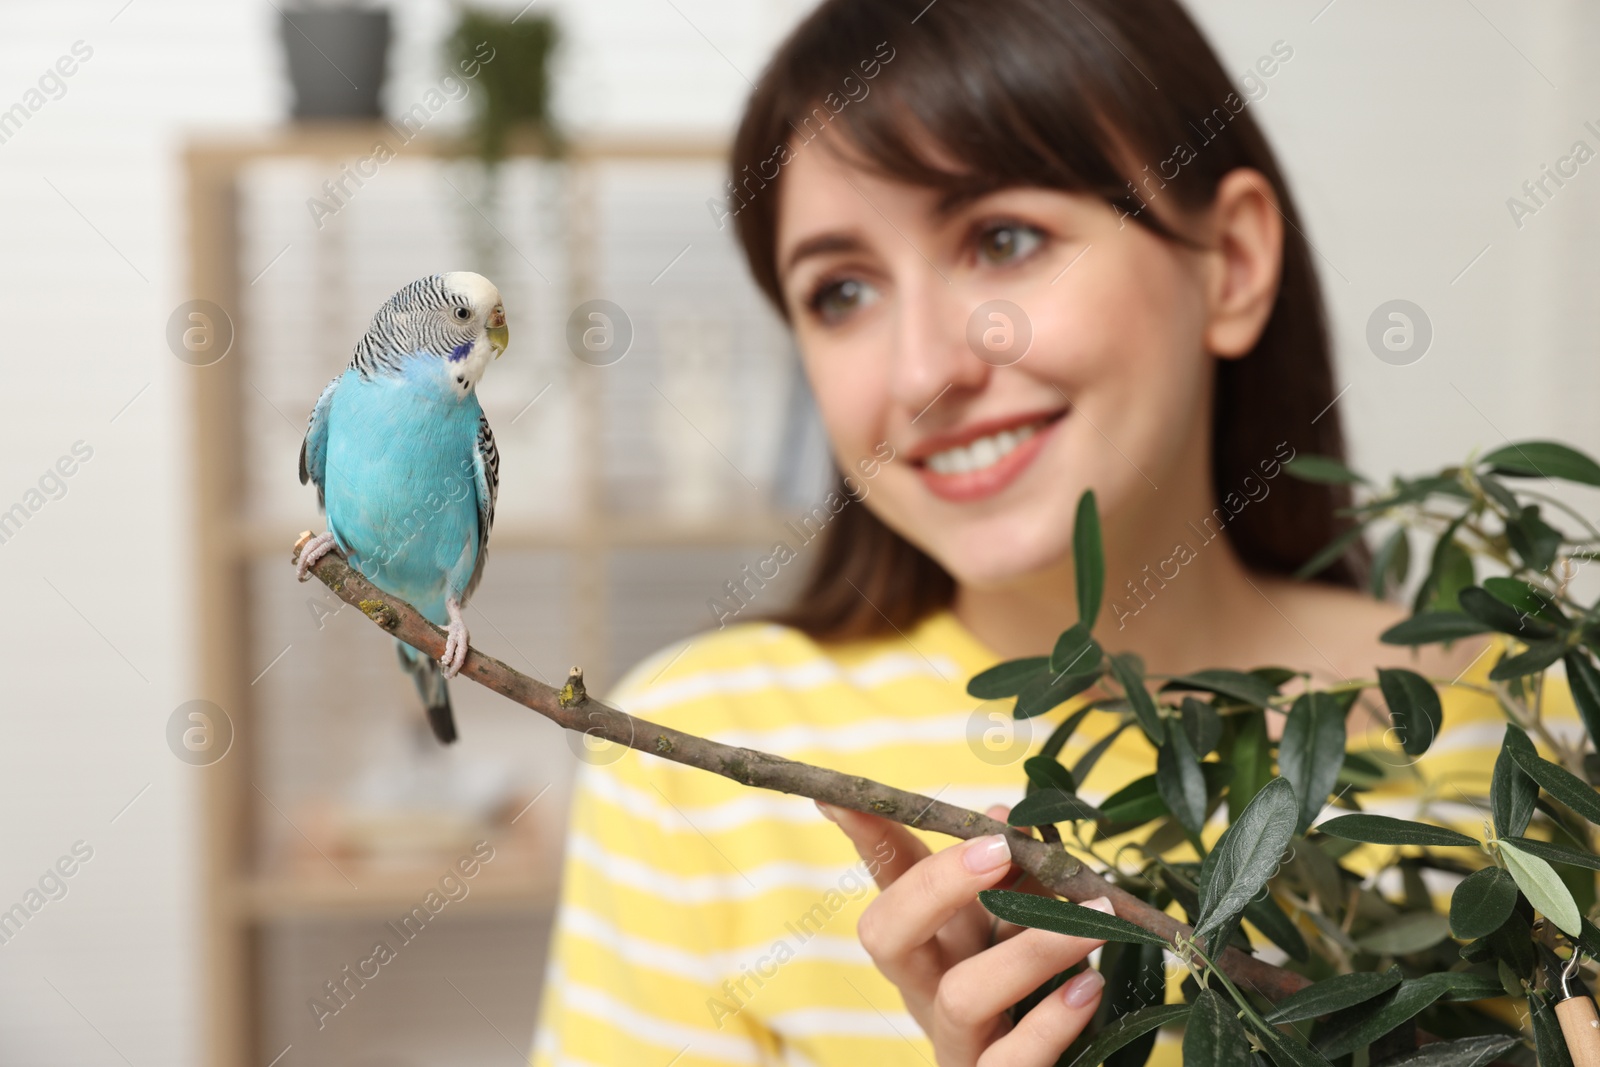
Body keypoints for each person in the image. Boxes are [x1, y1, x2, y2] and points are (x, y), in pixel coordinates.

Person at [532, 1, 1574, 1064]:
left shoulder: (1533, 720)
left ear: (1233, 262)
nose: (923, 370)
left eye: (1003, 238)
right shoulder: (692, 756)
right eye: (841, 290)